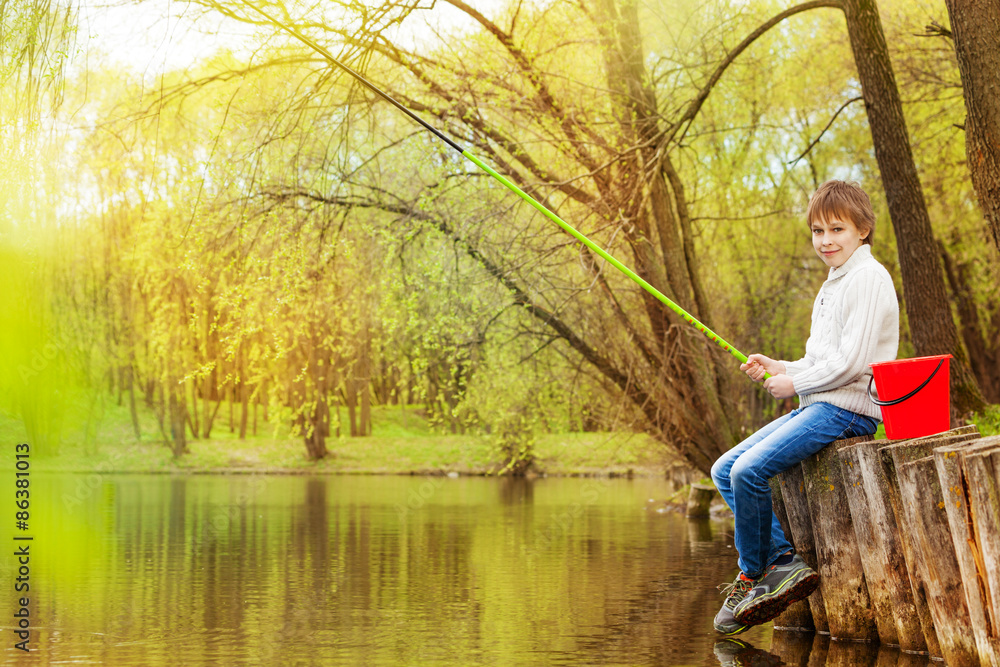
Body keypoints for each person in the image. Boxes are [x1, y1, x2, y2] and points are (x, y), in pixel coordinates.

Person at [711, 180, 899, 635]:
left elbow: (853, 364)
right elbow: (822, 360)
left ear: (863, 230)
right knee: (725, 469)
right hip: (820, 403)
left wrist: (794, 383)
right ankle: (780, 562)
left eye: (837, 229)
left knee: (748, 472)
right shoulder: (833, 284)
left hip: (849, 411)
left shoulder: (869, 279)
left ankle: (757, 574)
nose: (826, 240)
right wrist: (782, 366)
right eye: (817, 231)